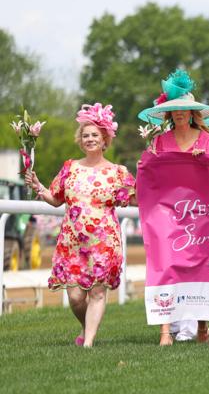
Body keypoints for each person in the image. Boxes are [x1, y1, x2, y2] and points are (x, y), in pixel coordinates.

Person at [24, 103, 136, 347]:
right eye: (85, 135)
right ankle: (87, 328)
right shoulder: (70, 168)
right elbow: (55, 200)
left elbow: (138, 197)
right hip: (72, 243)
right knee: (75, 297)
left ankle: (88, 344)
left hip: (104, 242)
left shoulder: (117, 173)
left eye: (95, 135)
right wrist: (38, 186)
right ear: (80, 140)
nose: (90, 139)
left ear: (105, 139)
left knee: (97, 292)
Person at [138, 68, 209, 346]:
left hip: (201, 215)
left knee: (199, 269)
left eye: (184, 109)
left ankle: (201, 325)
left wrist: (206, 162)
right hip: (168, 214)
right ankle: (166, 331)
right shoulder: (159, 143)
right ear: (168, 113)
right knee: (166, 265)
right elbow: (146, 173)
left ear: (192, 112)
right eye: (173, 109)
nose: (179, 113)